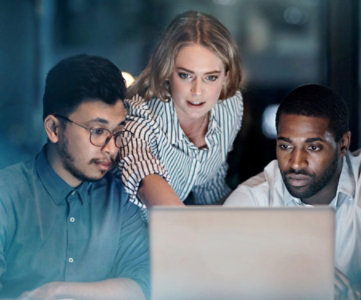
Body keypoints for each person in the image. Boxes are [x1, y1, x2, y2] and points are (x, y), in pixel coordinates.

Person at [224, 84, 361, 300]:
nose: (296, 163)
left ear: (343, 144)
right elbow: (218, 282)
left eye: (313, 147)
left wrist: (352, 295)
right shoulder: (252, 199)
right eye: (286, 146)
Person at [0, 55, 149, 299]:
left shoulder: (122, 198)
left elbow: (144, 284)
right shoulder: (6, 197)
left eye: (118, 132)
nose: (111, 148)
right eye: (98, 131)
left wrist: (59, 291)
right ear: (54, 129)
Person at [118, 11, 244, 212]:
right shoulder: (141, 116)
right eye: (186, 75)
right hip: (127, 235)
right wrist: (189, 233)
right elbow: (144, 179)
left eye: (210, 77)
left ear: (226, 77)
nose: (197, 91)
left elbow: (210, 188)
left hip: (181, 231)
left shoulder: (229, 106)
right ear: (167, 71)